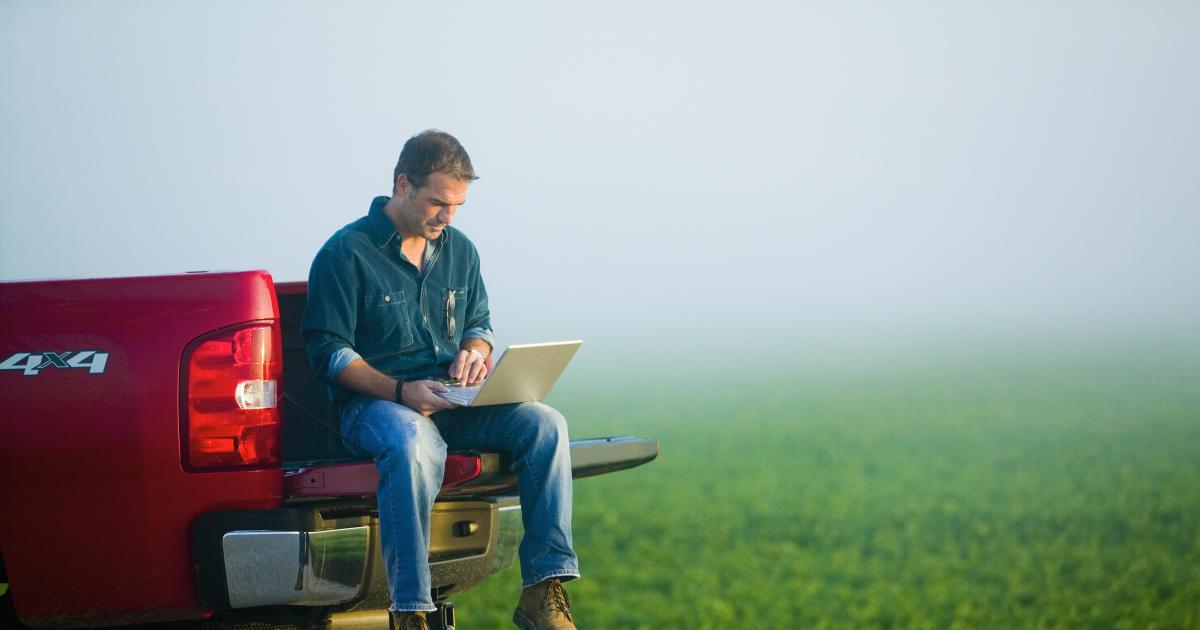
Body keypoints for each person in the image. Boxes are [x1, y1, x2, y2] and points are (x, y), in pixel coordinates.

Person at [301, 130, 579, 630]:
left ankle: (543, 590)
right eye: (438, 202)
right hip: (377, 407)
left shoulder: (461, 251)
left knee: (545, 424)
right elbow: (330, 353)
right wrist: (402, 391)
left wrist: (476, 351)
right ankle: (412, 612)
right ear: (402, 184)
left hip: (452, 400)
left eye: (457, 205)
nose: (447, 216)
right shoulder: (345, 253)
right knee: (414, 442)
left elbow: (480, 322)